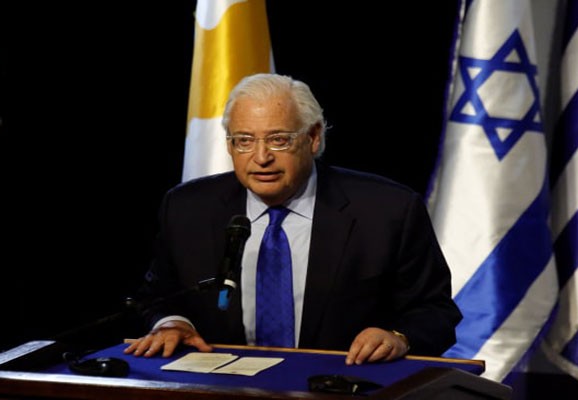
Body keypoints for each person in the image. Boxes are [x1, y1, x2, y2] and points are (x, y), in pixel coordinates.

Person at [124, 73, 461, 365]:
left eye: (278, 140)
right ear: (229, 145)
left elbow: (435, 311)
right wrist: (172, 322)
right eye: (244, 141)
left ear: (313, 138)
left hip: (344, 386)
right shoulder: (188, 208)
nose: (261, 157)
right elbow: (155, 296)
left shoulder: (387, 210)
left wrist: (397, 337)